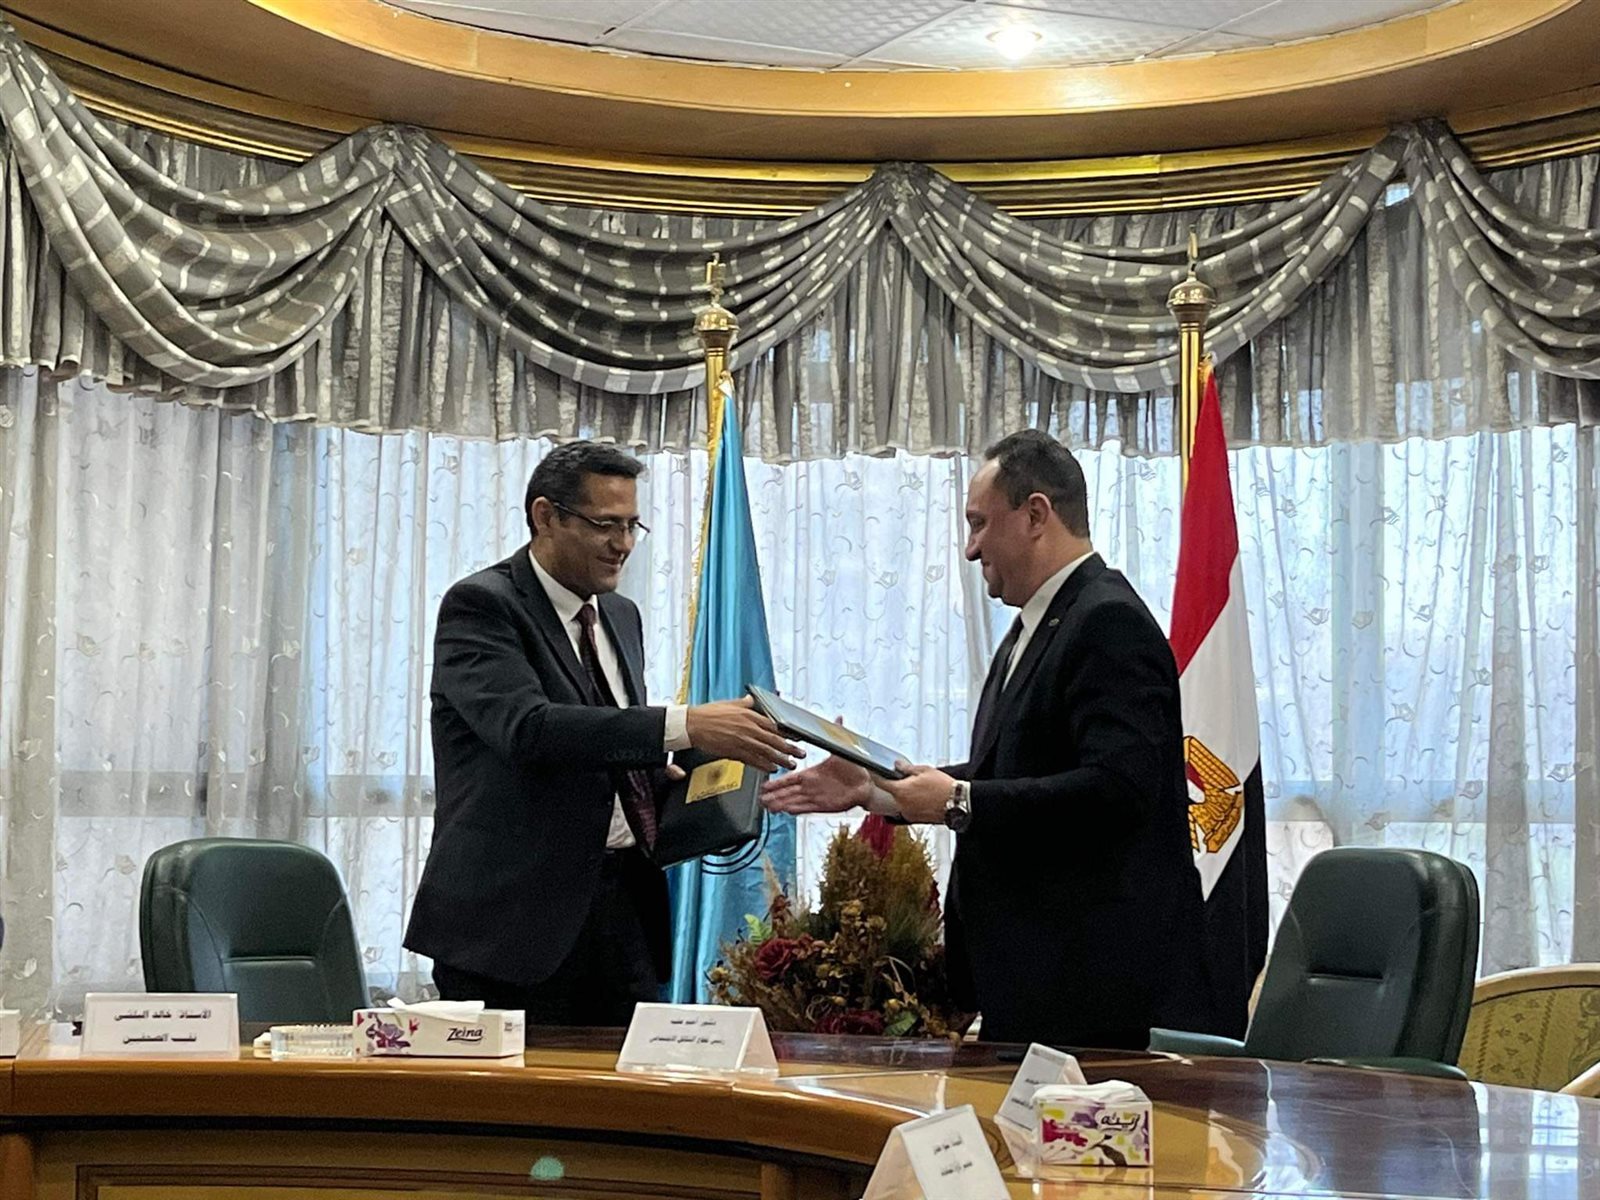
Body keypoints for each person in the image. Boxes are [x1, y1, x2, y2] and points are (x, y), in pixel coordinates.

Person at [762, 429, 1209, 1048]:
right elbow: (1011, 770)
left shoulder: (1107, 620)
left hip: (1090, 989)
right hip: (1033, 982)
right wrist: (875, 786)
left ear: (1035, 515)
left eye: (978, 524)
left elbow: (1118, 789)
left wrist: (958, 802)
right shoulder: (1039, 623)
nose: (970, 549)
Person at [405, 441, 800, 1025]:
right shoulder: (482, 606)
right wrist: (686, 723)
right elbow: (529, 728)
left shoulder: (620, 615)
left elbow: (609, 743)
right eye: (604, 525)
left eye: (632, 525)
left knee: (628, 1083)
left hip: (623, 917)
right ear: (545, 516)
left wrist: (696, 778)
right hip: (511, 929)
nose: (623, 544)